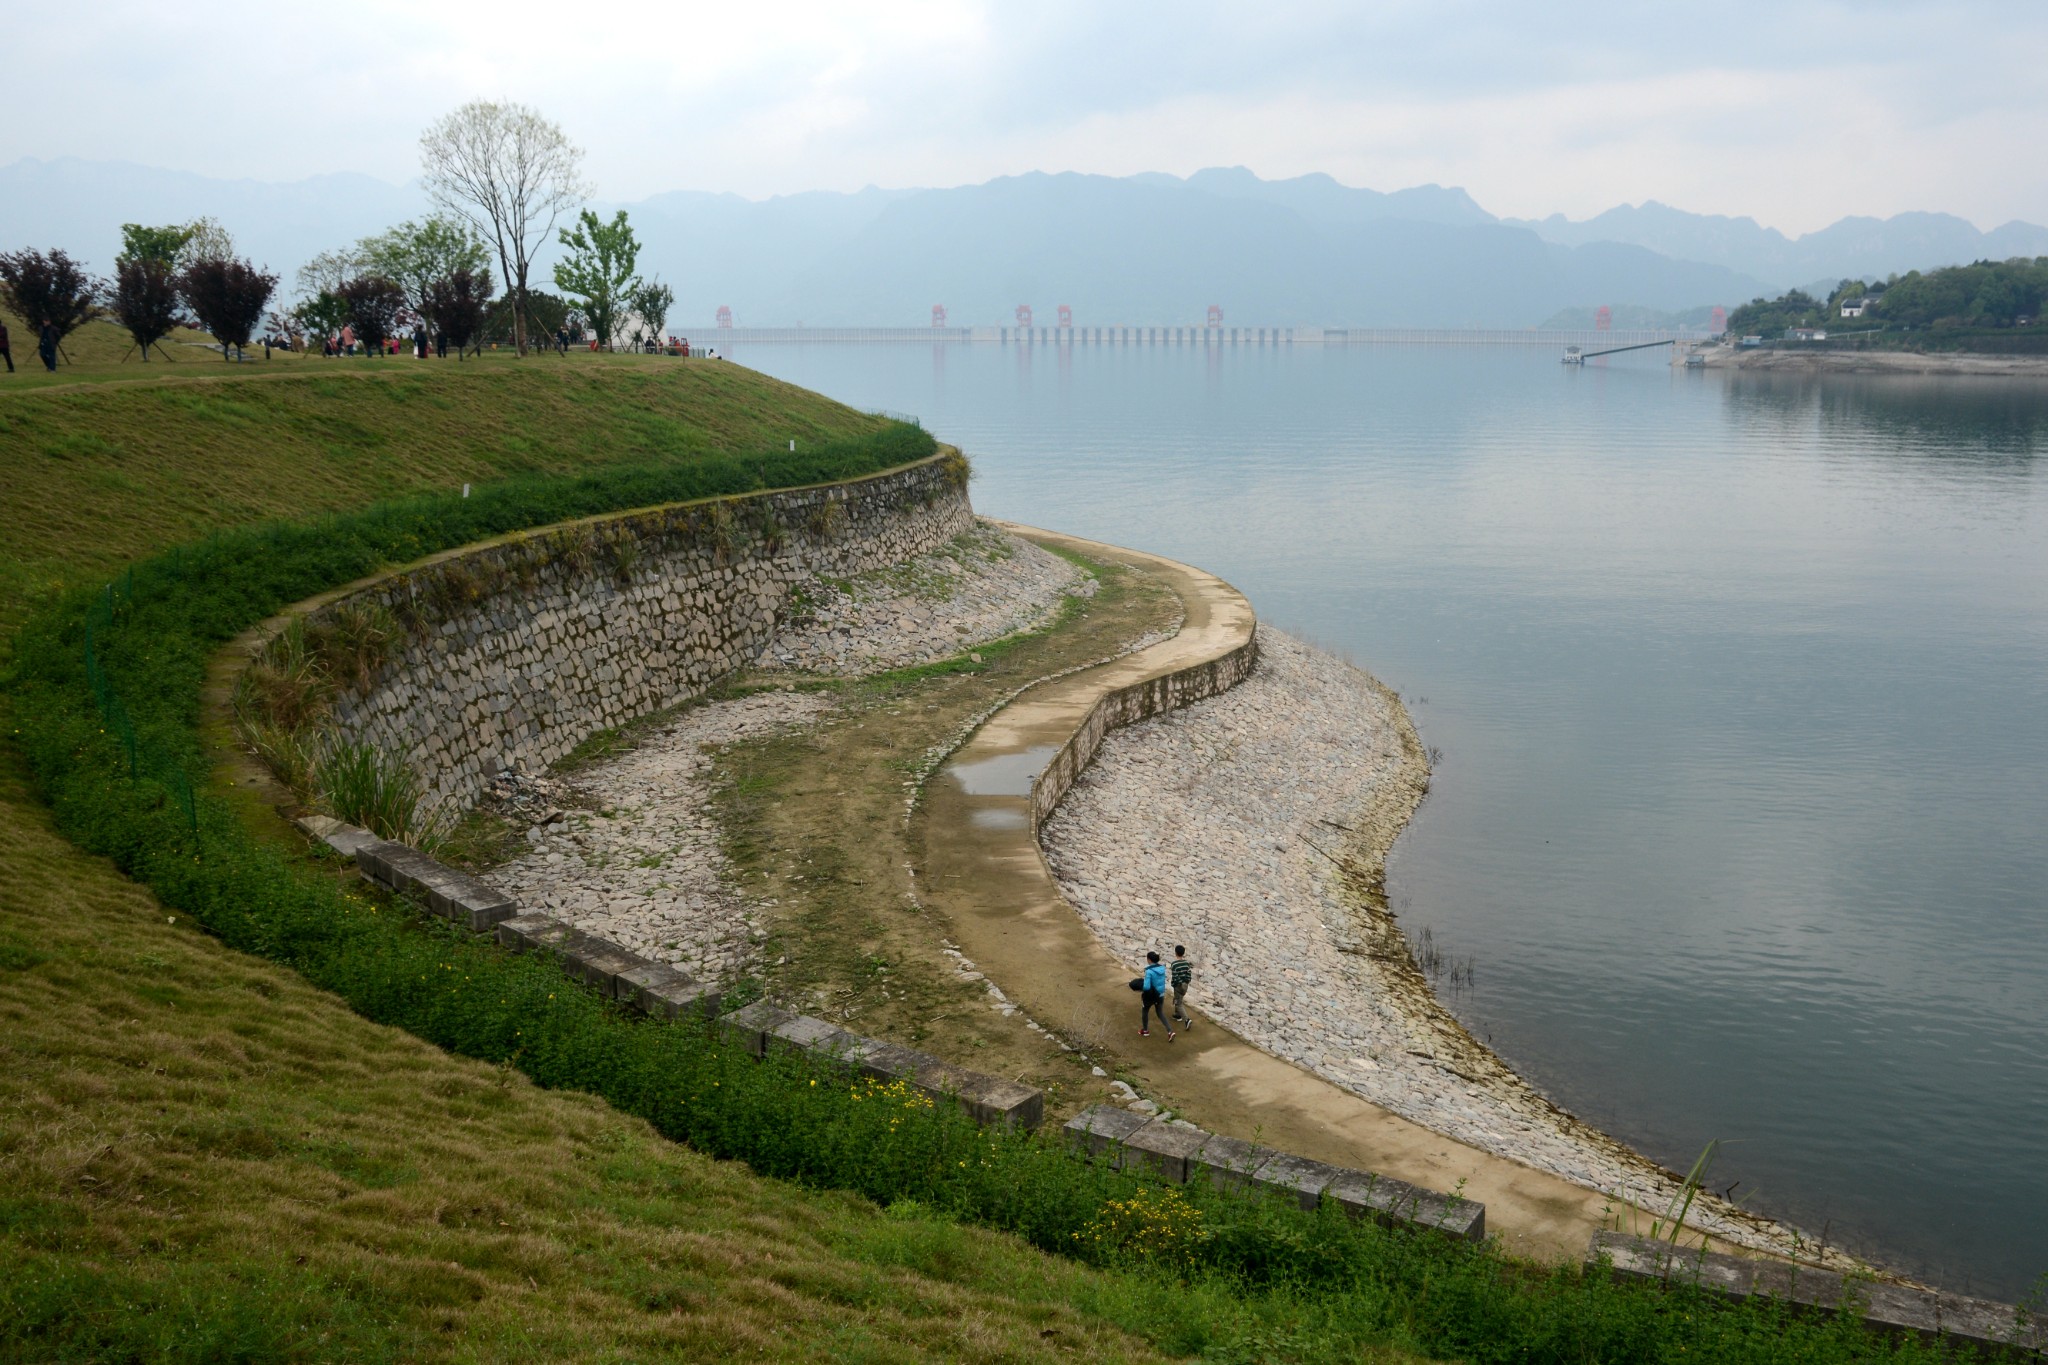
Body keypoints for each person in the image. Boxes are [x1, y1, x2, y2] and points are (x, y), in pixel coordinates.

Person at [1140, 951, 1174, 1040]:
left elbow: (1146, 987)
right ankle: (1170, 1031)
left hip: (1150, 996)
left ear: (1149, 960)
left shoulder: (1149, 971)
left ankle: (1145, 1030)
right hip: (1160, 995)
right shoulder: (1162, 969)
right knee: (1160, 1013)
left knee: (1145, 1011)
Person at [1170, 944, 1195, 1030]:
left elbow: (1175, 977)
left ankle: (1187, 1020)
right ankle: (1177, 1015)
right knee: (1178, 998)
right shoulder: (1186, 963)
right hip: (1185, 985)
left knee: (1179, 1003)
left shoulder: (1174, 964)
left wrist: (1177, 984)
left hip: (1178, 986)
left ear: (1175, 953)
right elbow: (1189, 975)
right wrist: (1185, 983)